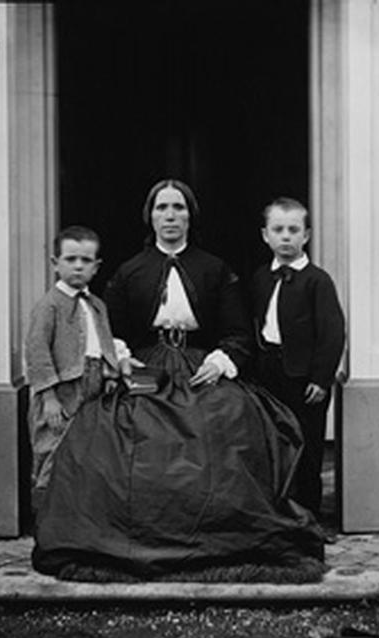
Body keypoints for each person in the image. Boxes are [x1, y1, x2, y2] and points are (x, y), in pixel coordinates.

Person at [31, 180, 325, 579]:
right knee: (116, 430)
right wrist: (123, 358)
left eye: (179, 208)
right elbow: (110, 328)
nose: (170, 216)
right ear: (150, 216)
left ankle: (218, 530)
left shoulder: (216, 269)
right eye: (162, 208)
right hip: (144, 365)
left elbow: (238, 331)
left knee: (232, 416)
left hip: (199, 364)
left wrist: (221, 361)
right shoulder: (130, 271)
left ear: (190, 216)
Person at [251, 197, 345, 521]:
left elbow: (333, 333)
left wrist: (321, 378)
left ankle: (309, 516)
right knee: (273, 443)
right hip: (269, 372)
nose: (286, 237)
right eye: (278, 229)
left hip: (305, 380)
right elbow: (256, 325)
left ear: (306, 235)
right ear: (266, 235)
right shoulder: (261, 278)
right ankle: (277, 513)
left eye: (294, 230)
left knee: (307, 446)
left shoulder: (317, 280)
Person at [24, 225, 125, 511]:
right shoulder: (49, 306)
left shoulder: (97, 305)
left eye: (86, 260)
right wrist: (49, 397)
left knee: (87, 450)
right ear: (55, 264)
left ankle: (78, 521)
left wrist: (109, 372)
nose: (78, 266)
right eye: (70, 259)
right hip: (61, 390)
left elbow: (102, 340)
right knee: (53, 449)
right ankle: (46, 517)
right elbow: (37, 350)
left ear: (96, 266)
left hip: (93, 385)